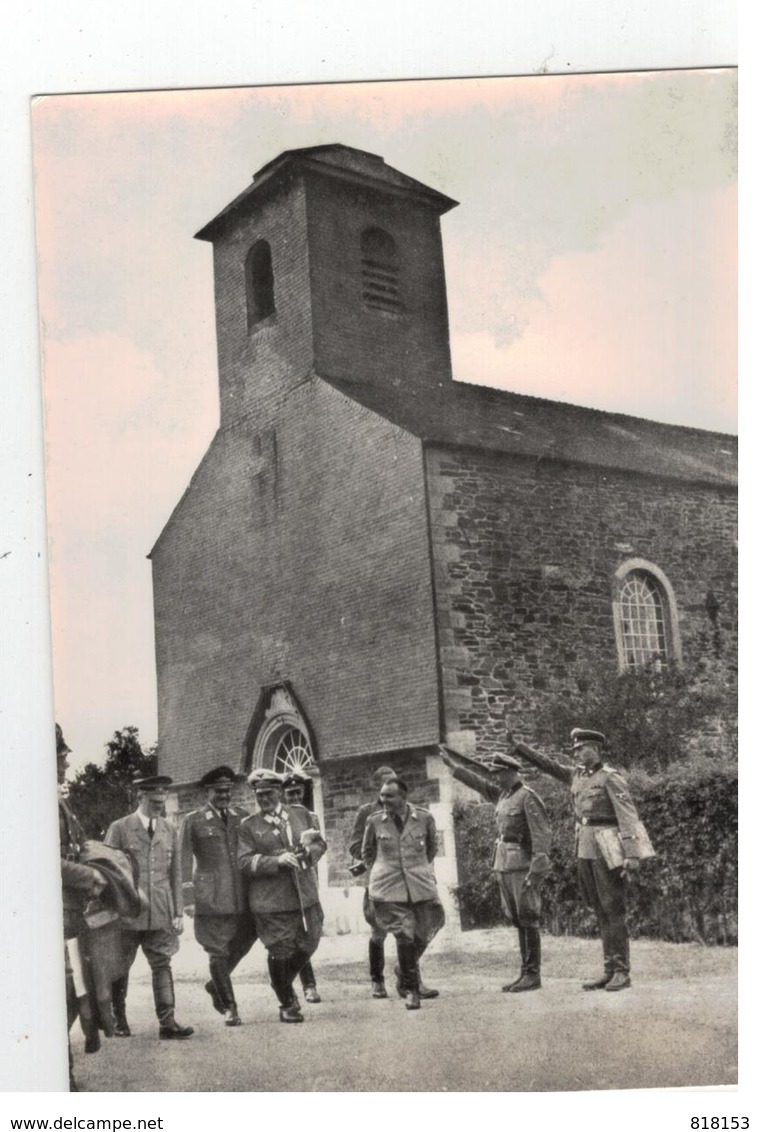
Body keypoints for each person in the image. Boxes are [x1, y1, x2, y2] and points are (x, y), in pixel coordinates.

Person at [509, 727, 648, 992]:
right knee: (598, 908)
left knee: (612, 908)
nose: (576, 754)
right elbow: (548, 765)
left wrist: (632, 853)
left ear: (596, 750)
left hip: (608, 847)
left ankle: (621, 970)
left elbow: (628, 816)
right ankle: (609, 970)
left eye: (581, 749)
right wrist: (520, 748)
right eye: (574, 750)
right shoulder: (576, 775)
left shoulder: (610, 778)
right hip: (584, 847)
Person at [439, 746, 551, 991]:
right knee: (517, 919)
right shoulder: (503, 795)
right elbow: (479, 784)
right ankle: (525, 973)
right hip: (505, 864)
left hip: (522, 864)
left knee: (528, 916)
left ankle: (533, 974)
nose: (495, 777)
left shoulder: (527, 796)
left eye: (498, 773)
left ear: (511, 772)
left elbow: (541, 834)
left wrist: (537, 869)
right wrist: (453, 767)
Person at [104, 775, 194, 1038]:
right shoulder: (120, 828)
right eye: (154, 801)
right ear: (140, 796)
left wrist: (178, 911)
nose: (159, 805)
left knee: (162, 963)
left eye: (162, 800)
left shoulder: (169, 829)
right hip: (127, 912)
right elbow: (107, 871)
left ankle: (168, 1022)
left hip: (160, 911)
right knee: (120, 966)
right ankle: (118, 1019)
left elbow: (176, 873)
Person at [238, 769, 327, 1023]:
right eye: (259, 795)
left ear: (279, 792)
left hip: (305, 895)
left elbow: (320, 844)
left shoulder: (302, 814)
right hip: (271, 902)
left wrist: (308, 853)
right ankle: (287, 1002)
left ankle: (280, 983)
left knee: (310, 942)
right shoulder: (249, 826)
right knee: (280, 949)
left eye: (268, 793)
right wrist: (276, 861)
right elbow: (243, 862)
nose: (264, 799)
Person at [179, 766, 256, 1026]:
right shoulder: (194, 820)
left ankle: (215, 985)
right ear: (208, 791)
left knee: (246, 938)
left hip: (240, 893)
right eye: (219, 791)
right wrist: (188, 898)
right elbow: (183, 859)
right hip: (210, 895)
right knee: (217, 949)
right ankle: (229, 1006)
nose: (224, 795)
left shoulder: (242, 817)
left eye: (228, 790)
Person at [361, 776, 445, 1011]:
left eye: (389, 795)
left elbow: (431, 849)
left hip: (419, 884)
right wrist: (380, 874)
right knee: (404, 933)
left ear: (403, 796)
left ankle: (403, 967)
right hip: (388, 888)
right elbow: (367, 852)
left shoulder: (424, 817)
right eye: (382, 795)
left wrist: (419, 870)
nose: (384, 800)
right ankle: (411, 989)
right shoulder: (375, 821)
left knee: (436, 919)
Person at [57, 724, 108, 1086]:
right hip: (53, 915)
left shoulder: (58, 800)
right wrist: (89, 877)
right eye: (60, 754)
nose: (66, 760)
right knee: (64, 990)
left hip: (71, 913)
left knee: (78, 989)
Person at [282, 773, 322, 1003]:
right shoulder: (277, 818)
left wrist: (308, 852)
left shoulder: (309, 816)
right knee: (294, 937)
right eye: (291, 794)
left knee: (311, 933)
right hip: (284, 884)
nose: (296, 797)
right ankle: (307, 985)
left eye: (299, 793)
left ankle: (292, 981)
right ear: (283, 794)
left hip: (306, 882)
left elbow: (320, 845)